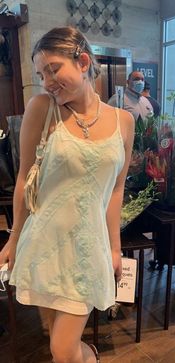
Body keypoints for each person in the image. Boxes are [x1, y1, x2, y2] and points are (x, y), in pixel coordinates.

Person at [0, 26, 134, 363]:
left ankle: (89, 355)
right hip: (43, 245)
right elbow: (23, 179)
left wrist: (115, 247)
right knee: (55, 340)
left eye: (54, 68)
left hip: (88, 250)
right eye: (41, 73)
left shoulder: (124, 122)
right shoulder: (42, 108)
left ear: (83, 61)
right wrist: (13, 238)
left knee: (63, 349)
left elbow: (115, 190)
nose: (46, 81)